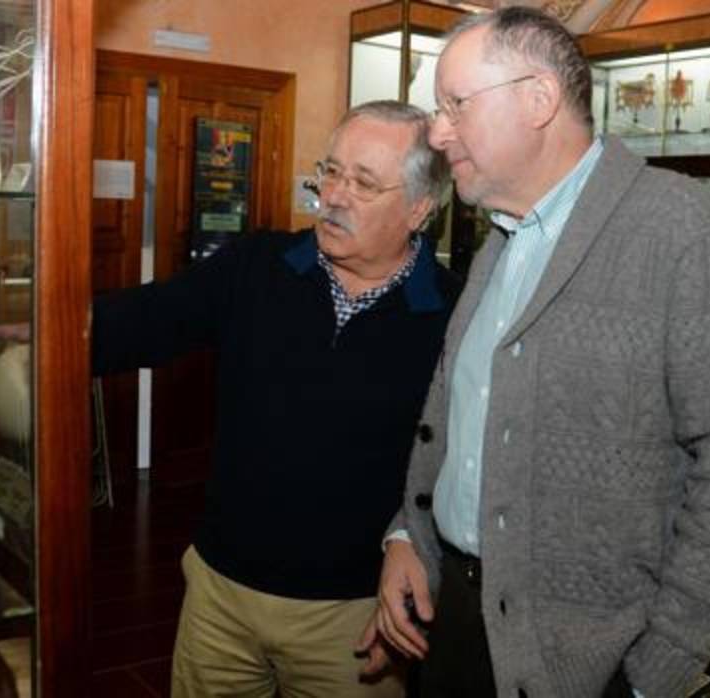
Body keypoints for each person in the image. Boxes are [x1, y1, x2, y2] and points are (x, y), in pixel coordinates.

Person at [360, 8, 710, 698]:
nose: (438, 134)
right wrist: (409, 536)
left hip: (589, 663)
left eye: (454, 106)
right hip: (459, 623)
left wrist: (657, 672)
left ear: (537, 101)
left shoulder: (682, 233)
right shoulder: (500, 239)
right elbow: (460, 420)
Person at [94, 100, 456, 697]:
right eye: (330, 171)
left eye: (363, 182)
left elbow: (454, 469)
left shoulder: (451, 315)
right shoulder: (257, 266)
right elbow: (148, 318)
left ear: (420, 208)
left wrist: (414, 551)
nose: (334, 195)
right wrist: (56, 331)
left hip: (354, 618)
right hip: (221, 597)